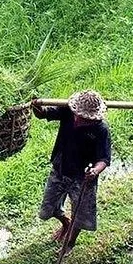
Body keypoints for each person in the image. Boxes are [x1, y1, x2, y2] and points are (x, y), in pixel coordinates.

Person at [33, 89, 111, 248]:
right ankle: (65, 223)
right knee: (47, 209)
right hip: (60, 169)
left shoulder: (100, 129)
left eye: (83, 118)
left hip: (83, 178)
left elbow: (104, 159)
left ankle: (70, 243)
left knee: (81, 213)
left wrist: (95, 171)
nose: (77, 119)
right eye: (76, 114)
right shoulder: (68, 111)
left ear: (92, 118)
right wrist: (35, 105)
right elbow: (42, 114)